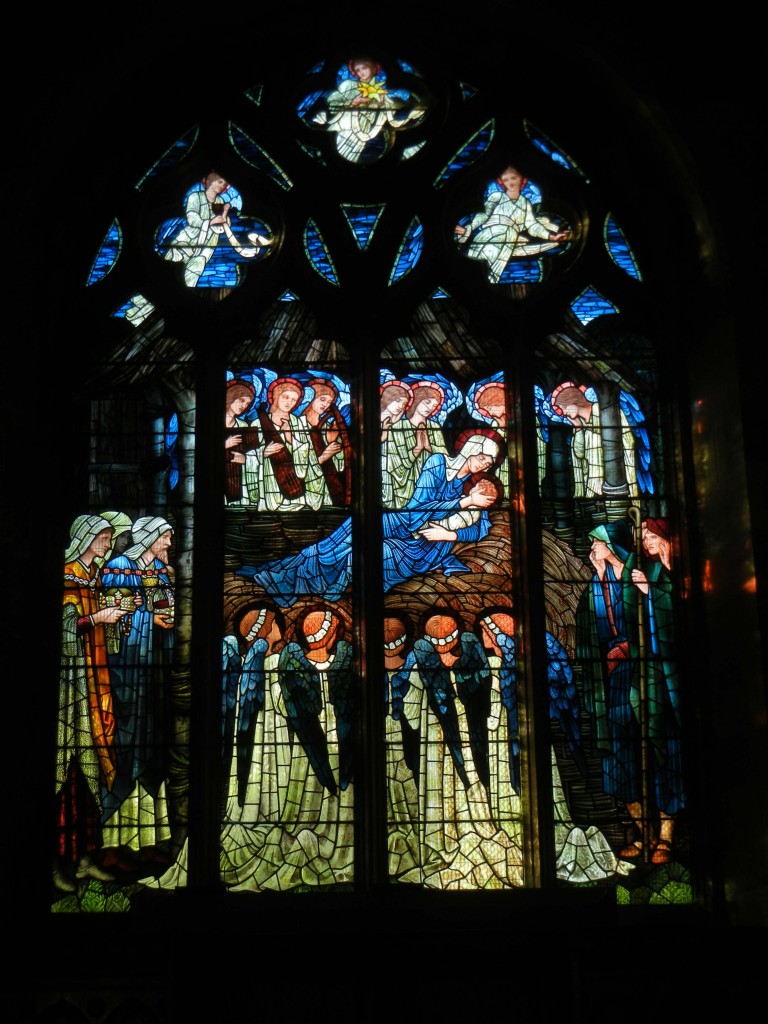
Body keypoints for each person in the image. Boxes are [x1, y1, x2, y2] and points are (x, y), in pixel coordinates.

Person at [238, 430, 503, 602]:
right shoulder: (437, 463)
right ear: (470, 447)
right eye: (481, 455)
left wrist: (451, 534)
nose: (483, 463)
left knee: (361, 549)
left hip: (424, 545)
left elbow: (481, 529)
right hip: (404, 522)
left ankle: (288, 579)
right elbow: (416, 510)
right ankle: (279, 575)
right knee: (347, 536)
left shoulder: (477, 487)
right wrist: (463, 502)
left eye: (489, 462)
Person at [54, 515, 130, 892]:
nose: (107, 543)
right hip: (72, 691)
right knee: (70, 771)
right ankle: (59, 861)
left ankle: (85, 857)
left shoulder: (93, 578)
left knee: (89, 773)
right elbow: (66, 629)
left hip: (94, 680)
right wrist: (96, 618)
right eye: (103, 537)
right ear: (86, 538)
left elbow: (98, 631)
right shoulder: (67, 575)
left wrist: (111, 621)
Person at [100, 516, 175, 852]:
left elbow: (163, 606)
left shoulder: (159, 571)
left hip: (152, 669)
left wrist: (165, 613)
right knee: (126, 744)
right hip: (125, 670)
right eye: (166, 538)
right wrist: (151, 617)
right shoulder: (119, 565)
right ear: (151, 539)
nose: (170, 545)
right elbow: (111, 612)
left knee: (152, 743)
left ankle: (147, 838)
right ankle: (111, 836)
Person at [621, 517, 685, 864]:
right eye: (642, 536)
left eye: (650, 535)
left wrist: (651, 591)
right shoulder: (653, 570)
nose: (646, 541)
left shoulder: (669, 573)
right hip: (652, 674)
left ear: (665, 538)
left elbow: (679, 612)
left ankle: (668, 835)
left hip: (672, 675)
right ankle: (652, 834)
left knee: (671, 751)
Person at [455, 165, 570, 283]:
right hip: (490, 234)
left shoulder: (525, 203)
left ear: (523, 180)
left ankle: (490, 282)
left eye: (513, 178)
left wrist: (552, 237)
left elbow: (533, 226)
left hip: (511, 237)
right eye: (506, 180)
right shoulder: (497, 196)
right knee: (483, 263)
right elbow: (483, 215)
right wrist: (468, 229)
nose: (510, 182)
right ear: (501, 182)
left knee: (496, 267)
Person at [162, 170, 271, 287]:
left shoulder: (220, 201)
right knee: (172, 261)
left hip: (209, 242)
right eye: (220, 181)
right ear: (209, 182)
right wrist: (210, 222)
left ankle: (187, 290)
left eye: (224, 183)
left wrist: (225, 212)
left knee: (197, 267)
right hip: (189, 238)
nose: (223, 185)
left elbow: (222, 224)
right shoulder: (195, 197)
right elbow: (191, 218)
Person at [311, 58, 425, 163]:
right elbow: (333, 103)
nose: (361, 72)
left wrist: (384, 105)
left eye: (364, 68)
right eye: (357, 70)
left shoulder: (380, 93)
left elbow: (392, 115)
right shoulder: (348, 85)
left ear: (375, 68)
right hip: (344, 133)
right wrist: (353, 103)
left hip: (364, 140)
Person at [549, 383, 638, 498]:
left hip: (614, 483)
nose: (564, 413)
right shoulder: (582, 425)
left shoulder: (604, 412)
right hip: (592, 485)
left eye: (564, 408)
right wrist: (578, 428)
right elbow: (579, 454)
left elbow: (627, 440)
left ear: (573, 400)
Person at [254, 376, 329, 512]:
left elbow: (308, 451)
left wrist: (289, 436)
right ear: (276, 396)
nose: (289, 402)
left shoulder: (298, 422)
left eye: (294, 400)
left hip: (295, 482)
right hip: (269, 478)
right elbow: (247, 455)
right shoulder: (258, 423)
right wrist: (263, 453)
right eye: (286, 397)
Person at [383, 379, 448, 508]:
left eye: (434, 406)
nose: (430, 408)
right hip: (403, 490)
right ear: (417, 400)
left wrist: (429, 447)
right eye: (427, 402)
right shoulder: (397, 427)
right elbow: (394, 465)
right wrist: (417, 449)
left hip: (431, 484)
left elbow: (444, 459)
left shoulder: (434, 427)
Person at [300, 377, 351, 507]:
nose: (326, 405)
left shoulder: (328, 427)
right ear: (310, 398)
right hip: (303, 494)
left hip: (327, 491)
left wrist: (331, 442)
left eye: (329, 402)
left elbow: (340, 466)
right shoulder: (296, 425)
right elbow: (294, 465)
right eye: (322, 399)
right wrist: (323, 457)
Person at [224, 378, 260, 505]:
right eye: (241, 400)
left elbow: (256, 454)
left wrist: (246, 459)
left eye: (247, 404)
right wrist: (224, 445)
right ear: (231, 396)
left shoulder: (243, 425)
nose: (244, 406)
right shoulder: (212, 424)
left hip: (239, 481)